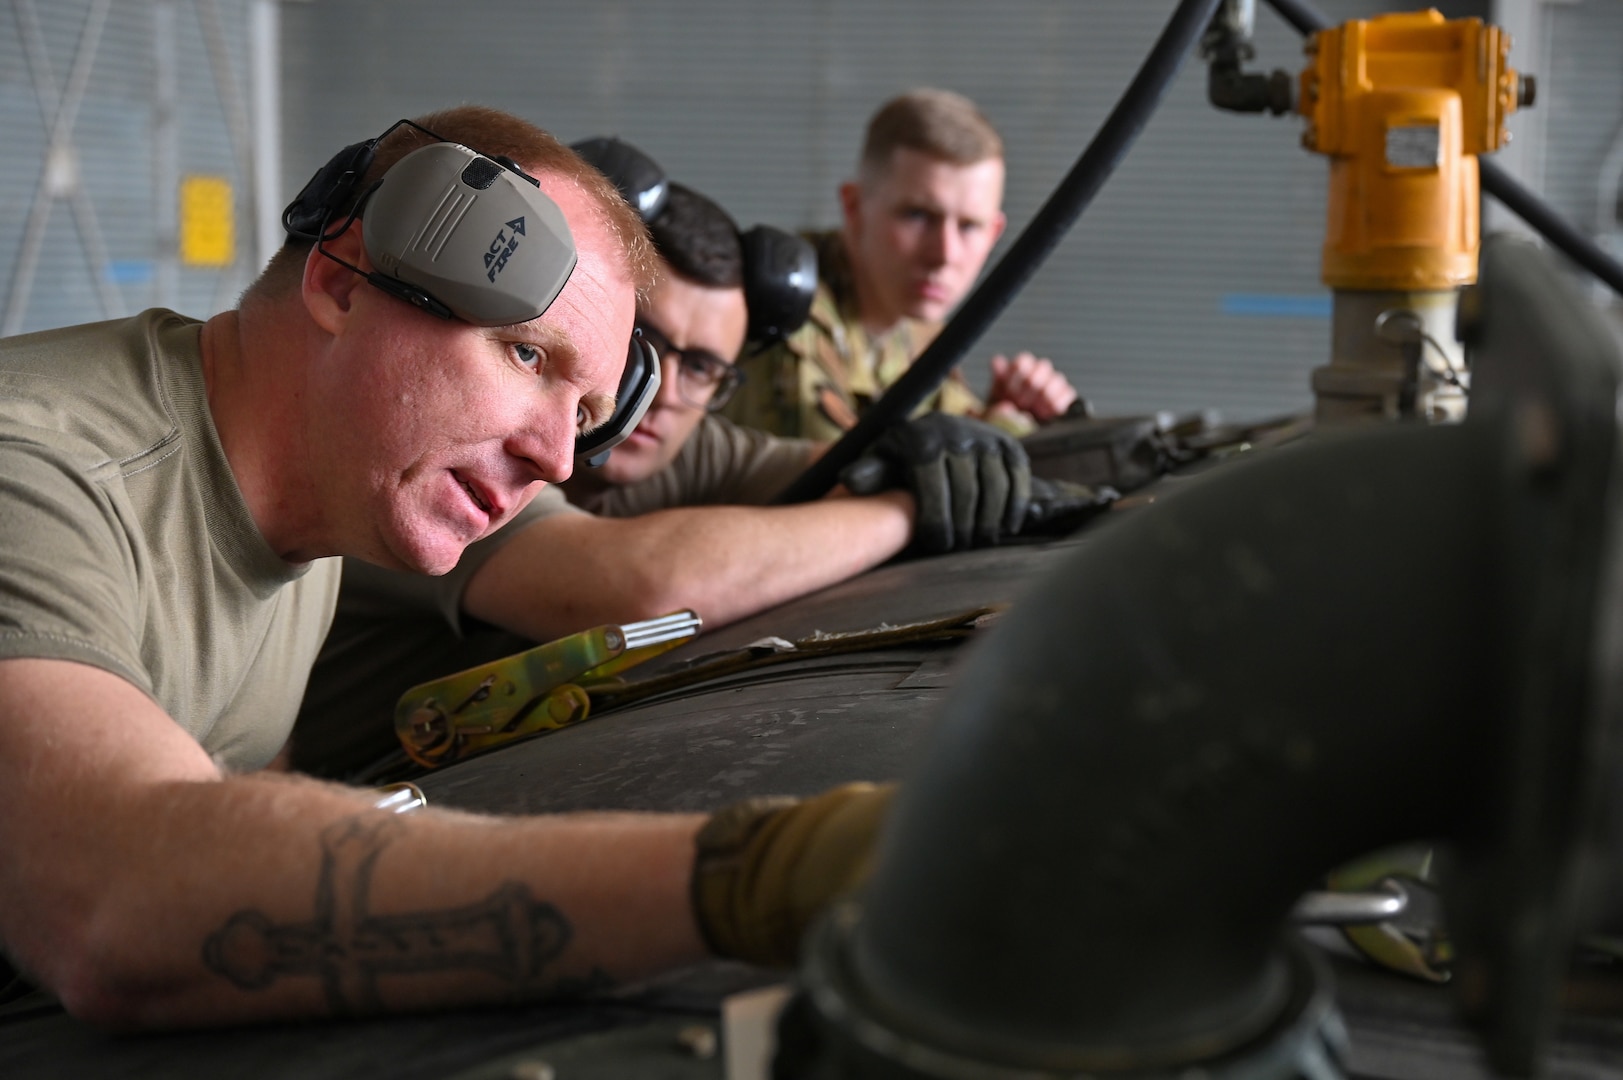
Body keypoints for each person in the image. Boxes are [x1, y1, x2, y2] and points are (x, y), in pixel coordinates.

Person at [0, 104, 894, 1029]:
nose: (556, 459)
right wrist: (763, 876)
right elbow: (116, 901)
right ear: (344, 285)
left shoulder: (323, 504)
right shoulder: (34, 471)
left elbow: (240, 797)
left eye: (585, 414)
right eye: (524, 353)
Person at [292, 172, 1054, 778]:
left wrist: (932, 450)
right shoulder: (461, 454)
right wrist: (901, 510)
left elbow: (841, 470)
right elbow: (633, 587)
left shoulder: (688, 443)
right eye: (639, 343)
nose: (657, 393)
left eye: (700, 369)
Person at [725, 87, 1082, 443]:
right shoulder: (787, 308)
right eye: (917, 216)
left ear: (994, 233)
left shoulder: (914, 322)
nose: (944, 254)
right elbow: (836, 484)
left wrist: (1007, 413)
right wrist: (998, 433)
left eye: (969, 226)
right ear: (854, 208)